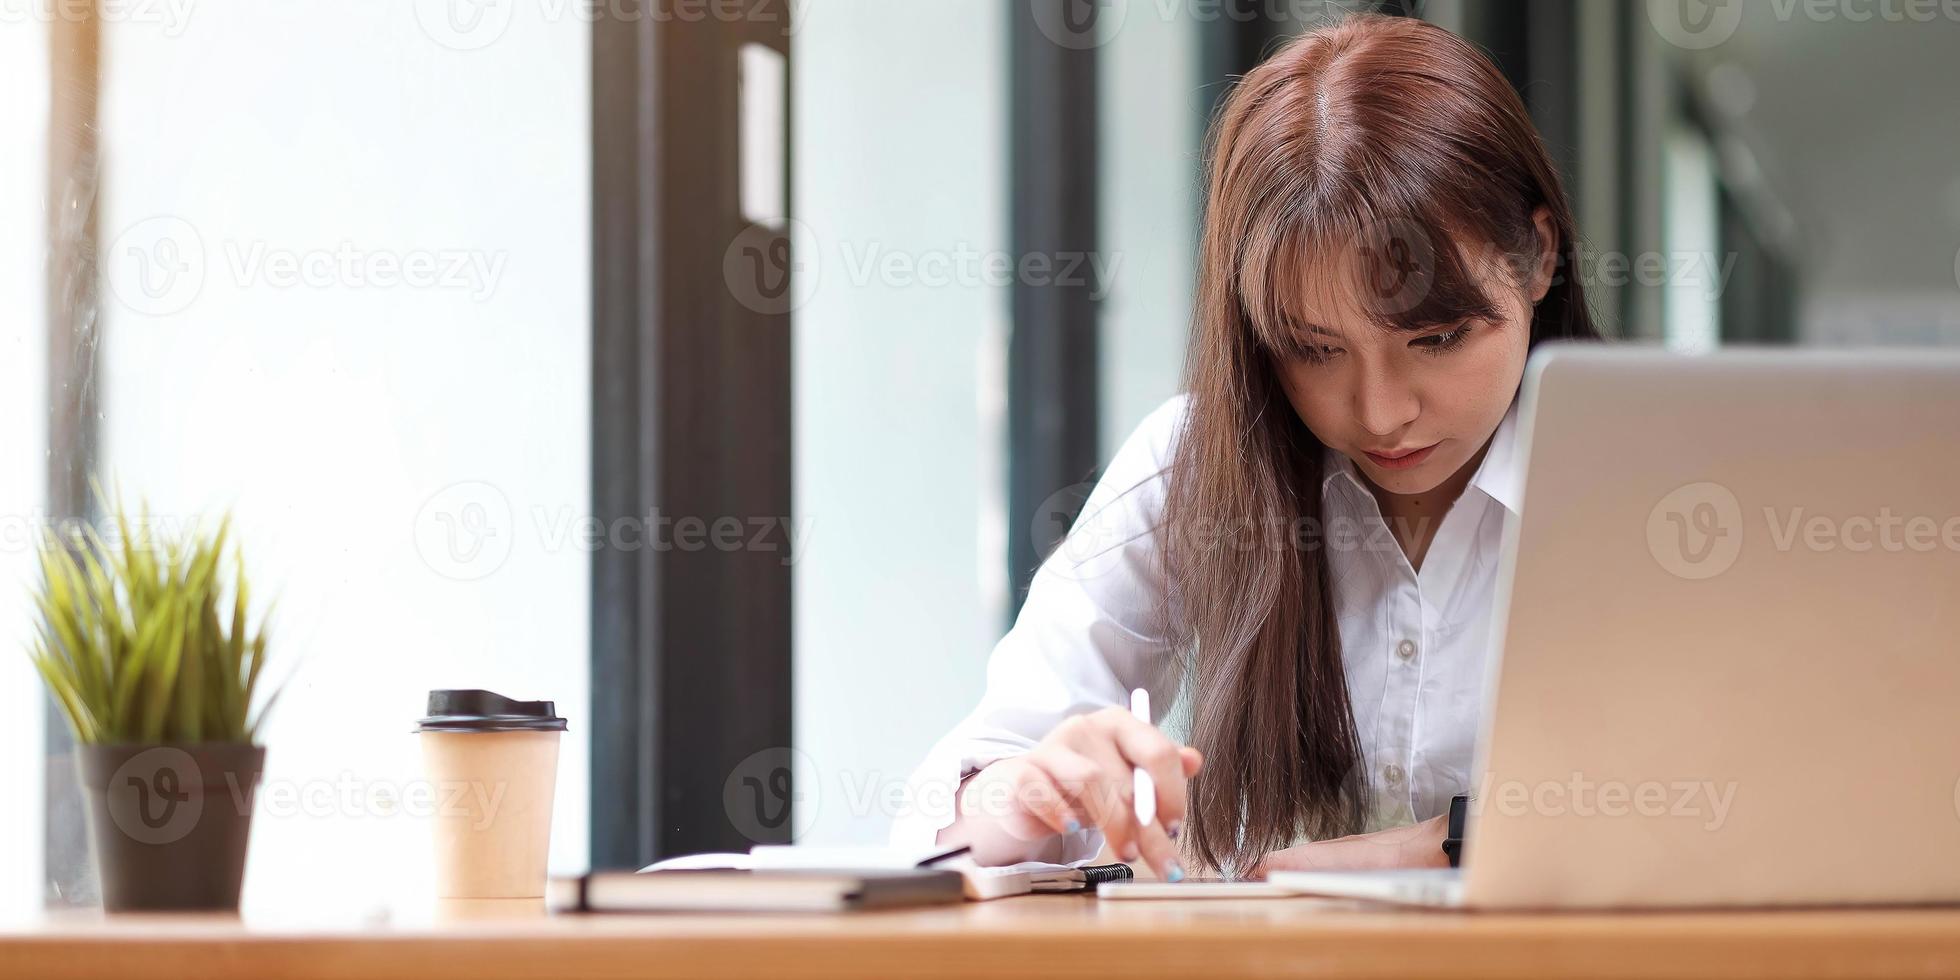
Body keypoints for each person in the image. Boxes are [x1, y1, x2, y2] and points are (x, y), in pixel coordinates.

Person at [892, 13, 1602, 882]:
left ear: (1536, 256)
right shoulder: (1197, 462)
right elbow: (945, 817)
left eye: (1438, 337)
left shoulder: (1646, 477)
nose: (1380, 414)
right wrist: (1029, 789)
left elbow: (1728, 799)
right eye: (1315, 349)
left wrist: (1383, 854)